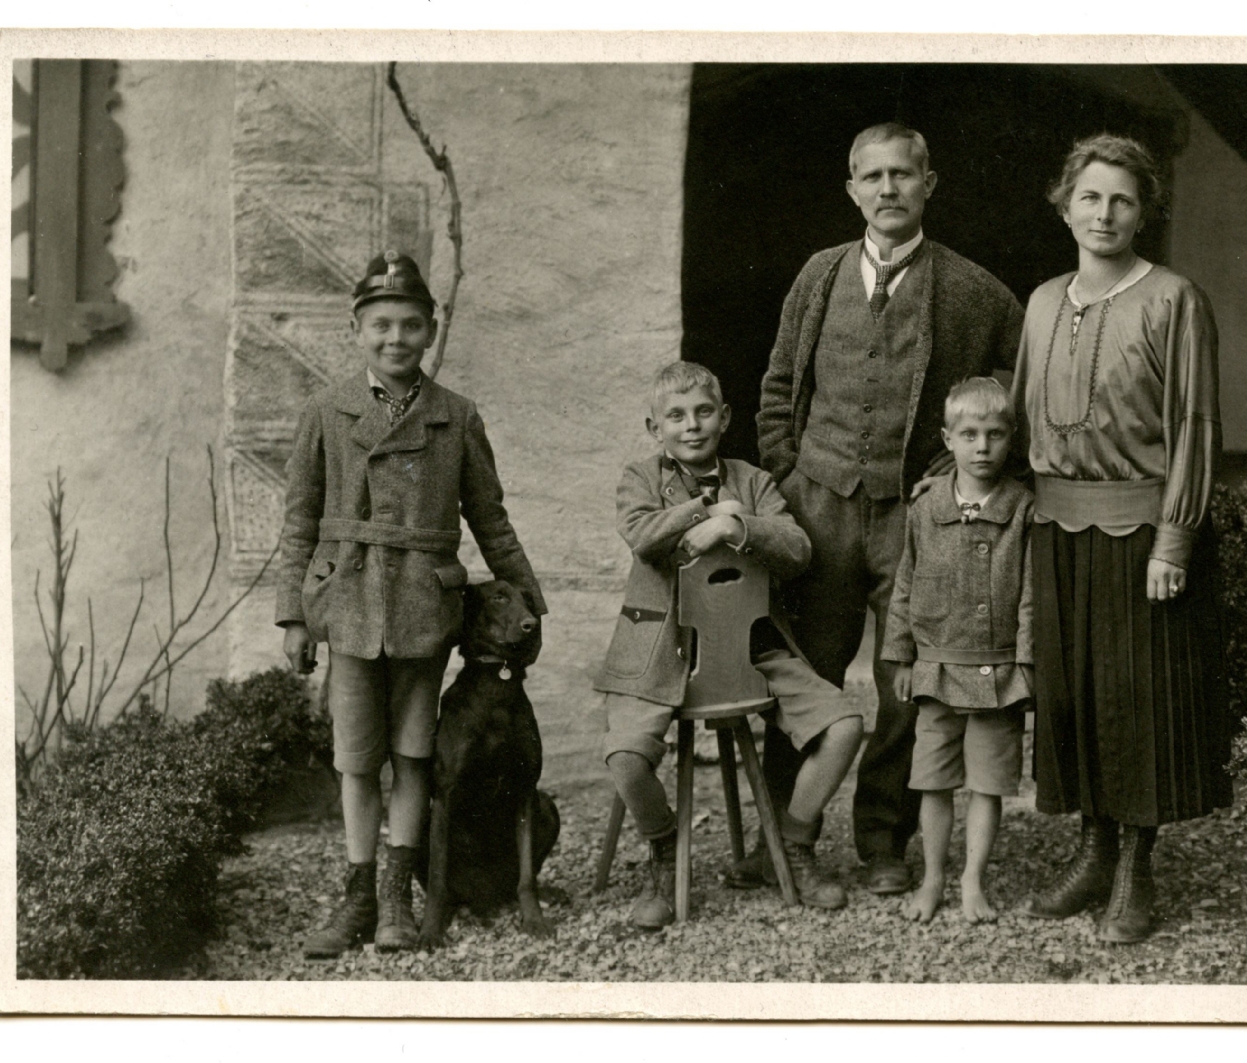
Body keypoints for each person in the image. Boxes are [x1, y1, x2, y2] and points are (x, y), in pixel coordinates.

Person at [750, 122, 1025, 895]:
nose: (888, 189)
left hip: (914, 520)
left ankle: (883, 841)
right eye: (872, 177)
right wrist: (788, 476)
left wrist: (950, 473)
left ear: (928, 184)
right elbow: (777, 384)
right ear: (852, 189)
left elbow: (1018, 376)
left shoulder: (971, 288)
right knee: (803, 672)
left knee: (904, 681)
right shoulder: (819, 275)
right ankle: (780, 834)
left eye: (903, 174)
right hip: (819, 512)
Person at [277, 251, 546, 957]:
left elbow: (490, 518)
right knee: (358, 761)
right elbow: (300, 520)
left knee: (415, 756)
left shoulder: (456, 417)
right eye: (380, 325)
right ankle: (358, 895)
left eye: (409, 325)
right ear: (357, 328)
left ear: (431, 330)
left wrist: (529, 593)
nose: (395, 338)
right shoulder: (325, 411)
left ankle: (400, 894)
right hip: (350, 604)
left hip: (426, 612)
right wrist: (293, 616)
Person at [1011, 134, 1231, 944]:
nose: (1104, 214)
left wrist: (1174, 541)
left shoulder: (1176, 299)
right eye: (1090, 197)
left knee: (1139, 703)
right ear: (1064, 203)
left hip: (1143, 535)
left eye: (1123, 200)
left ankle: (1138, 869)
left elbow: (1195, 427)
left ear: (1146, 211)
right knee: (1073, 700)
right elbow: (1018, 418)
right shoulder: (1040, 302)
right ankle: (1093, 850)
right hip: (1057, 530)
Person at [596, 361, 865, 928]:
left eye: (702, 412)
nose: (691, 426)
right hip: (659, 651)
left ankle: (789, 844)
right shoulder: (639, 478)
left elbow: (796, 548)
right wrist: (703, 510)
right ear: (655, 428)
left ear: (725, 418)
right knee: (625, 757)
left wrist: (736, 525)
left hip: (750, 647)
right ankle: (665, 851)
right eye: (675, 416)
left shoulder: (753, 481)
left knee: (843, 727)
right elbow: (642, 535)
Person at [883, 377, 1034, 924]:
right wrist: (902, 656)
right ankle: (933, 878)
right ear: (947, 440)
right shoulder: (926, 509)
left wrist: (1026, 663)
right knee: (933, 780)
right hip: (937, 668)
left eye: (995, 435)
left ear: (1011, 438)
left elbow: (1031, 596)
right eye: (968, 434)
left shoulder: (1021, 509)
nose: (982, 447)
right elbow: (906, 582)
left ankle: (974, 880)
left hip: (996, 673)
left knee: (988, 784)